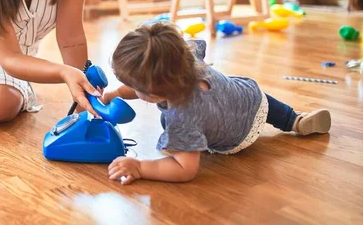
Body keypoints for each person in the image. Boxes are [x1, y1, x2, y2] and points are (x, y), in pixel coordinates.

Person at [102, 22, 331, 184]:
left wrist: (140, 167)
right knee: (263, 101)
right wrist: (116, 93)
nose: (131, 89)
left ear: (154, 93)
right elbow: (146, 84)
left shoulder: (183, 119)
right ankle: (295, 119)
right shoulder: (181, 57)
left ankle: (192, 143)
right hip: (248, 97)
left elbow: (185, 170)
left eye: (134, 87)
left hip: (235, 136)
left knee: (178, 139)